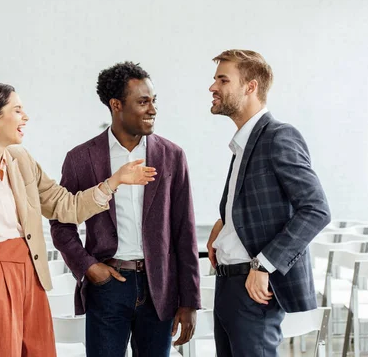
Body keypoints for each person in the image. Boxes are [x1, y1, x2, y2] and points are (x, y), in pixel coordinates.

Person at [0, 82, 156, 357]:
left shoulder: (22, 160)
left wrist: (113, 182)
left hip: (32, 273)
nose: (25, 117)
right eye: (17, 110)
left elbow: (65, 205)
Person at [50, 61, 200, 357]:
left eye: (154, 101)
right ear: (116, 104)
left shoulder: (172, 156)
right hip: (108, 286)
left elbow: (186, 231)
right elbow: (61, 224)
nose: (152, 109)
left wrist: (189, 301)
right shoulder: (81, 159)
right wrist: (88, 267)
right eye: (142, 102)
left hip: (160, 289)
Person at [206, 49, 331, 356]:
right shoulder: (243, 144)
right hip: (228, 286)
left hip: (254, 290)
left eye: (223, 79)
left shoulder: (278, 136)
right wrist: (223, 226)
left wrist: (264, 264)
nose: (212, 87)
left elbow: (316, 209)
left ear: (250, 87)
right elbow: (258, 203)